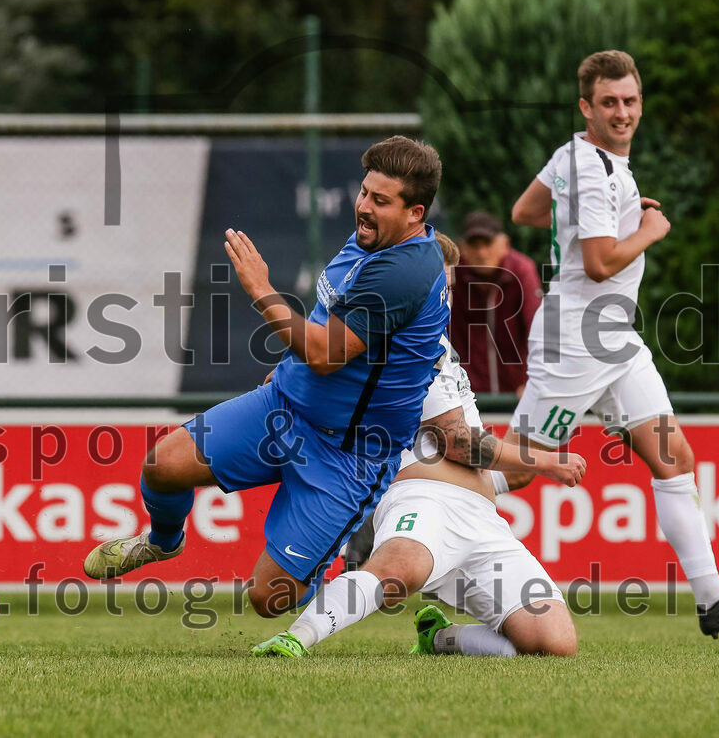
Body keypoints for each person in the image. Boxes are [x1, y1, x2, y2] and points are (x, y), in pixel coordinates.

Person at [84, 136, 451, 617]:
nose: (363, 206)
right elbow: (326, 315)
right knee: (162, 466)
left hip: (348, 453)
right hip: (284, 407)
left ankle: (333, 565)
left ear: (415, 213)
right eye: (364, 192)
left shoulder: (405, 270)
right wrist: (283, 370)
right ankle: (162, 541)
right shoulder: (370, 235)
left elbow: (325, 354)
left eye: (380, 201)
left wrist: (260, 289)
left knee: (268, 599)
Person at [502, 50, 719, 638]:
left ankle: (714, 601)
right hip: (576, 339)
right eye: (608, 102)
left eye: (630, 100)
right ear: (586, 106)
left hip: (612, 339)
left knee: (672, 454)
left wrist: (594, 214)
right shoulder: (592, 168)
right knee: (521, 468)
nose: (622, 111)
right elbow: (601, 263)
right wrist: (649, 230)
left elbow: (526, 210)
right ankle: (408, 511)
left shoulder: (574, 157)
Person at [251, 233, 586, 658]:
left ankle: (441, 639)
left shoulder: (434, 341)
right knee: (399, 567)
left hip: (482, 520)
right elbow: (460, 444)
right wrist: (546, 463)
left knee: (555, 644)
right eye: (437, 286)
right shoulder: (397, 342)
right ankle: (297, 638)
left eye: (448, 287)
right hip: (421, 499)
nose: (443, 297)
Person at [449, 210, 542, 397]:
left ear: (504, 244)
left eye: (487, 243)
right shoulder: (451, 275)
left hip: (517, 393)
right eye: (474, 245)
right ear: (462, 248)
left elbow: (537, 328)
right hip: (464, 395)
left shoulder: (522, 270)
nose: (481, 252)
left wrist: (534, 380)